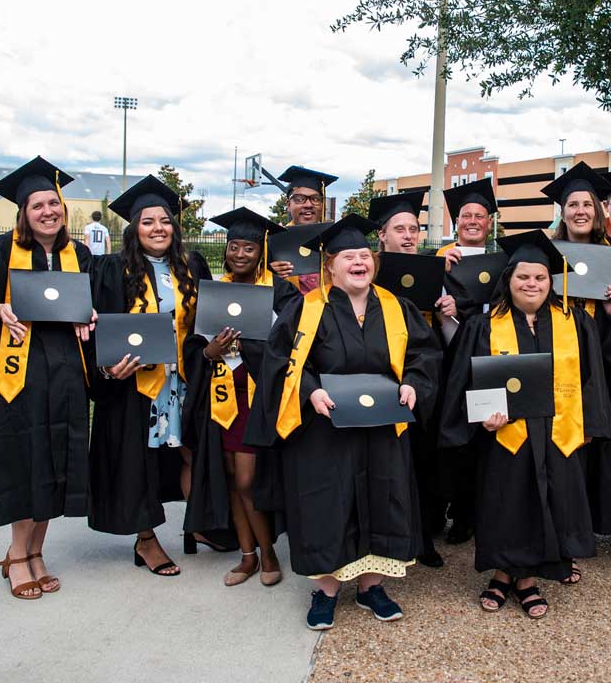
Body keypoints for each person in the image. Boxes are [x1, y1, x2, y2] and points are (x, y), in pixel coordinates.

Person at [246, 215, 441, 630]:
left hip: (383, 427)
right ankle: (327, 590)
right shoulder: (306, 308)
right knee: (327, 504)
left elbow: (425, 356)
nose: (359, 262)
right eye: (348, 256)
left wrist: (413, 385)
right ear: (329, 265)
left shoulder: (396, 307)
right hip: (325, 428)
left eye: (365, 255)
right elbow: (282, 362)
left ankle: (371, 587)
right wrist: (310, 391)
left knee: (381, 500)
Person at [0, 157, 95, 600]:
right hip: (12, 374)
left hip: (63, 372)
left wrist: (90, 316)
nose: (48, 211)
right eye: (38, 205)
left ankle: (37, 552)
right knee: (22, 457)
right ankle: (17, 554)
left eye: (54, 203)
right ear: (23, 213)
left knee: (54, 458)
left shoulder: (78, 255)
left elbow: (87, 307)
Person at [439, 230, 611, 618]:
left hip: (558, 430)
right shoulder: (483, 326)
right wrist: (482, 417)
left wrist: (588, 421)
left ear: (550, 281)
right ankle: (503, 575)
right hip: (504, 434)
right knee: (506, 502)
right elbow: (462, 380)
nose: (531, 284)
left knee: (549, 502)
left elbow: (591, 378)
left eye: (539, 277)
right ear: (509, 280)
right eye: (523, 277)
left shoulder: (575, 323)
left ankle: (528, 580)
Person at [87, 175, 215, 576]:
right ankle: (146, 541)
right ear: (134, 229)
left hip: (185, 377)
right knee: (138, 460)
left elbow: (208, 316)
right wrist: (109, 368)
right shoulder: (112, 268)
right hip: (137, 384)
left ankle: (198, 525)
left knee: (192, 452)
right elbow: (95, 327)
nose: (158, 228)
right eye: (148, 222)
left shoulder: (191, 264)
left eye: (165, 220)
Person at [183, 207, 297, 587]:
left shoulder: (280, 291)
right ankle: (247, 557)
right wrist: (211, 351)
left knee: (248, 479)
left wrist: (248, 346)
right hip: (221, 395)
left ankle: (268, 554)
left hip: (258, 396)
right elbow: (195, 347)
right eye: (234, 247)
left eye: (249, 248)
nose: (240, 254)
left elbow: (291, 345)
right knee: (230, 476)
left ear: (261, 251)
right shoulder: (215, 290)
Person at [542, 163, 611, 568]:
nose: (581, 210)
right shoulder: (546, 256)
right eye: (573, 204)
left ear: (598, 212)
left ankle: (593, 525)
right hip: (556, 365)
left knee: (595, 448)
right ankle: (554, 532)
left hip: (597, 368)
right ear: (563, 212)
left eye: (587, 204)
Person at [369, 190, 457, 568]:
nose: (408, 235)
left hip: (423, 375)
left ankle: (423, 536)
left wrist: (448, 309)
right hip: (380, 374)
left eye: (414, 229)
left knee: (423, 458)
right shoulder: (368, 271)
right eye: (399, 228)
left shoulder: (433, 271)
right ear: (382, 235)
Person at [433, 177, 499, 544]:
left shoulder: (502, 261)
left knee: (482, 437)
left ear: (489, 222)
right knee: (453, 438)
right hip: (446, 361)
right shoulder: (441, 259)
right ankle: (453, 510)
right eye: (465, 215)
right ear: (456, 222)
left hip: (486, 360)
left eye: (480, 215)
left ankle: (473, 513)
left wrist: (469, 307)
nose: (473, 220)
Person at [268, 165, 338, 295]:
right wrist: (268, 273)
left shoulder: (335, 237)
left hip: (328, 309)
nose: (308, 204)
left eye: (315, 199)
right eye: (300, 199)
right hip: (287, 310)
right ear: (289, 205)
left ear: (322, 204)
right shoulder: (274, 239)